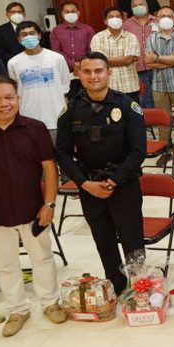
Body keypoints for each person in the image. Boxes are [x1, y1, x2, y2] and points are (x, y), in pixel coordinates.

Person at [56, 52, 147, 293]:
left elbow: (139, 150)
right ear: (78, 75)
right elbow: (62, 153)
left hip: (123, 184)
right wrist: (85, 184)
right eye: (87, 71)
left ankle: (141, 289)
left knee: (133, 243)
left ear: (109, 72)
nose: (93, 76)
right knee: (104, 242)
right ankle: (117, 288)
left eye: (98, 70)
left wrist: (114, 181)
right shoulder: (70, 109)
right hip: (90, 186)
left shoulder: (128, 106)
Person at [0, 75, 67, 337]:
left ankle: (50, 303)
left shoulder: (35, 128)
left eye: (8, 97)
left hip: (33, 209)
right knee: (6, 265)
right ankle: (18, 310)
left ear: (18, 99)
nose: (4, 103)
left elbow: (49, 168)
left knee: (42, 258)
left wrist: (49, 203)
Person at [7, 21, 70, 141]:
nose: (28, 37)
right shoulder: (13, 63)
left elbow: (65, 85)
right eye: (24, 35)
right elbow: (14, 89)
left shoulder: (56, 58)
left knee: (59, 156)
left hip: (56, 118)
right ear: (19, 39)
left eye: (32, 33)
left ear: (39, 35)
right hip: (28, 119)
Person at [145, 7, 174, 144]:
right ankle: (165, 147)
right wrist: (172, 61)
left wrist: (157, 58)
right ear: (157, 19)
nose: (165, 18)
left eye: (169, 16)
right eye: (162, 16)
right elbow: (149, 63)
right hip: (159, 86)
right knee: (163, 121)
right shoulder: (151, 38)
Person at [90, 7, 140, 101]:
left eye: (118, 16)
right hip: (107, 88)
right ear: (105, 21)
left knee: (132, 115)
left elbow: (128, 60)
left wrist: (107, 60)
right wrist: (124, 60)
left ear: (123, 20)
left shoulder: (131, 37)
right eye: (111, 17)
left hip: (130, 87)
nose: (115, 19)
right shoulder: (97, 38)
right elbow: (99, 62)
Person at [51, 1, 95, 96]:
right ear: (62, 14)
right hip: (64, 71)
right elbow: (56, 50)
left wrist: (81, 65)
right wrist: (73, 64)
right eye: (67, 12)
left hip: (86, 70)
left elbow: (91, 49)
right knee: (69, 99)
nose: (70, 13)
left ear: (78, 13)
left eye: (73, 11)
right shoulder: (56, 31)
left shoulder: (88, 29)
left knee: (88, 97)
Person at [121, 0, 158, 108]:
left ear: (146, 6)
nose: (138, 7)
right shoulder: (126, 25)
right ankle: (148, 121)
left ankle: (161, 118)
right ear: (131, 9)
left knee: (158, 95)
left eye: (141, 5)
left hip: (157, 65)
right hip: (137, 67)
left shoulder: (157, 21)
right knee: (143, 97)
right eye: (135, 6)